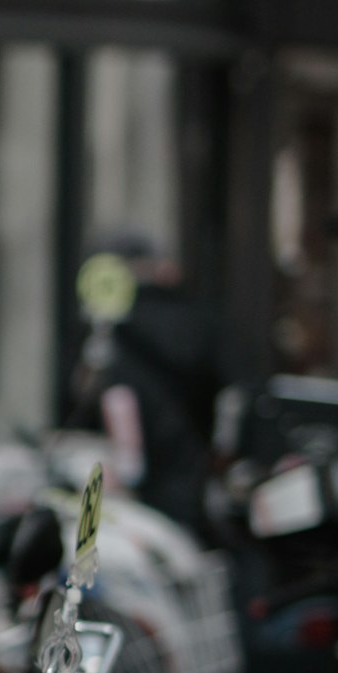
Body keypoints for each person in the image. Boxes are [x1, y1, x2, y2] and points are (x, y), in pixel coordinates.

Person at [62, 229, 224, 535]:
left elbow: (77, 403)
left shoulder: (101, 330)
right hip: (186, 480)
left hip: (118, 490)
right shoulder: (197, 321)